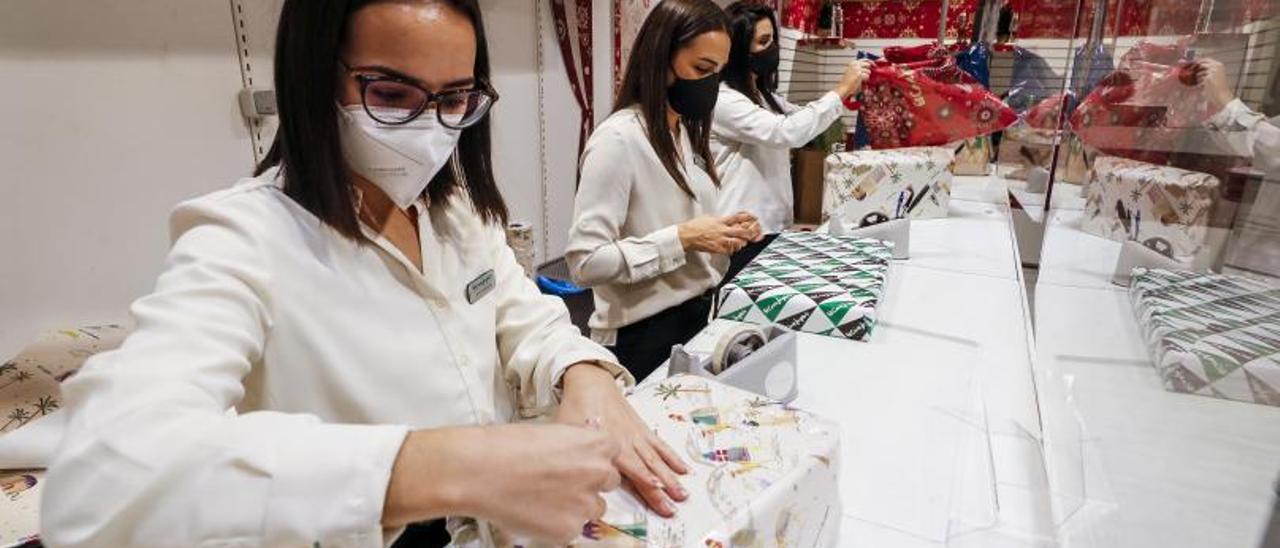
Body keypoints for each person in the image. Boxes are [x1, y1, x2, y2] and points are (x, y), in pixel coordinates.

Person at [40, 1, 690, 546]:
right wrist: (436, 466)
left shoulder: (455, 211)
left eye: (455, 98)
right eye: (390, 93)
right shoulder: (241, 239)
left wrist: (583, 373)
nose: (431, 129)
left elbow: (526, 318)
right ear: (315, 79)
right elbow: (104, 475)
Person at [567, 0, 762, 383]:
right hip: (641, 337)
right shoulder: (619, 141)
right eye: (701, 69)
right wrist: (684, 238)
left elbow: (671, 221)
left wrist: (721, 232)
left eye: (718, 74)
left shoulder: (683, 132)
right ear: (660, 57)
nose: (709, 85)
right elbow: (585, 263)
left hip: (693, 317)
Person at [711, 2, 870, 280]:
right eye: (763, 41)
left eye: (773, 39)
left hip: (772, 224)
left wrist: (848, 95)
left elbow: (803, 120)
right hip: (740, 231)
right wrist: (841, 89)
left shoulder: (762, 96)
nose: (772, 48)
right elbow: (787, 132)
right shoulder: (724, 100)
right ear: (738, 49)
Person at [1198, 58, 1280, 276]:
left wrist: (1226, 101)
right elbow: (1249, 143)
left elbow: (1271, 150)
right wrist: (1212, 104)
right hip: (1254, 255)